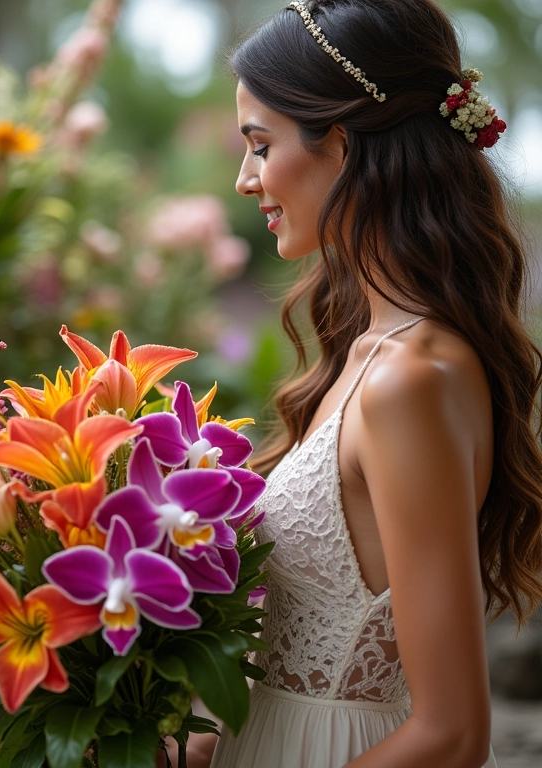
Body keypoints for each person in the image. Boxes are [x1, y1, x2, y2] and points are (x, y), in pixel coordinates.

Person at [206, 0, 542, 766]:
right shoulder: (363, 352)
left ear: (345, 146)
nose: (244, 179)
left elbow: (453, 734)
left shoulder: (410, 381)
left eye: (261, 146)